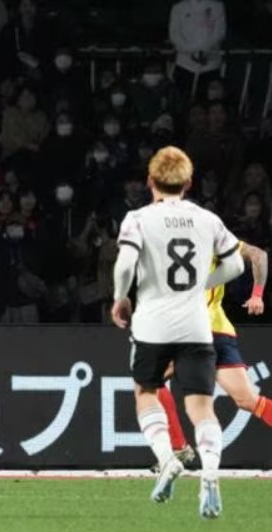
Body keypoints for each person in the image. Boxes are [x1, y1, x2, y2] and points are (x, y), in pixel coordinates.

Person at [110, 146, 244, 518]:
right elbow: (235, 265)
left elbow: (125, 263)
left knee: (146, 392)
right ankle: (210, 471)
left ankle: (168, 459)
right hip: (196, 326)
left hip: (152, 324)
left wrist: (120, 297)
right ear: (188, 183)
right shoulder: (207, 219)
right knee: (201, 406)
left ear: (150, 181)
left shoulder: (138, 218)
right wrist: (202, 285)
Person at [156, 241, 272, 461]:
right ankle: (179, 448)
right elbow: (259, 255)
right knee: (249, 401)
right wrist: (257, 295)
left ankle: (179, 447)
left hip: (195, 330)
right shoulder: (215, 240)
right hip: (220, 333)